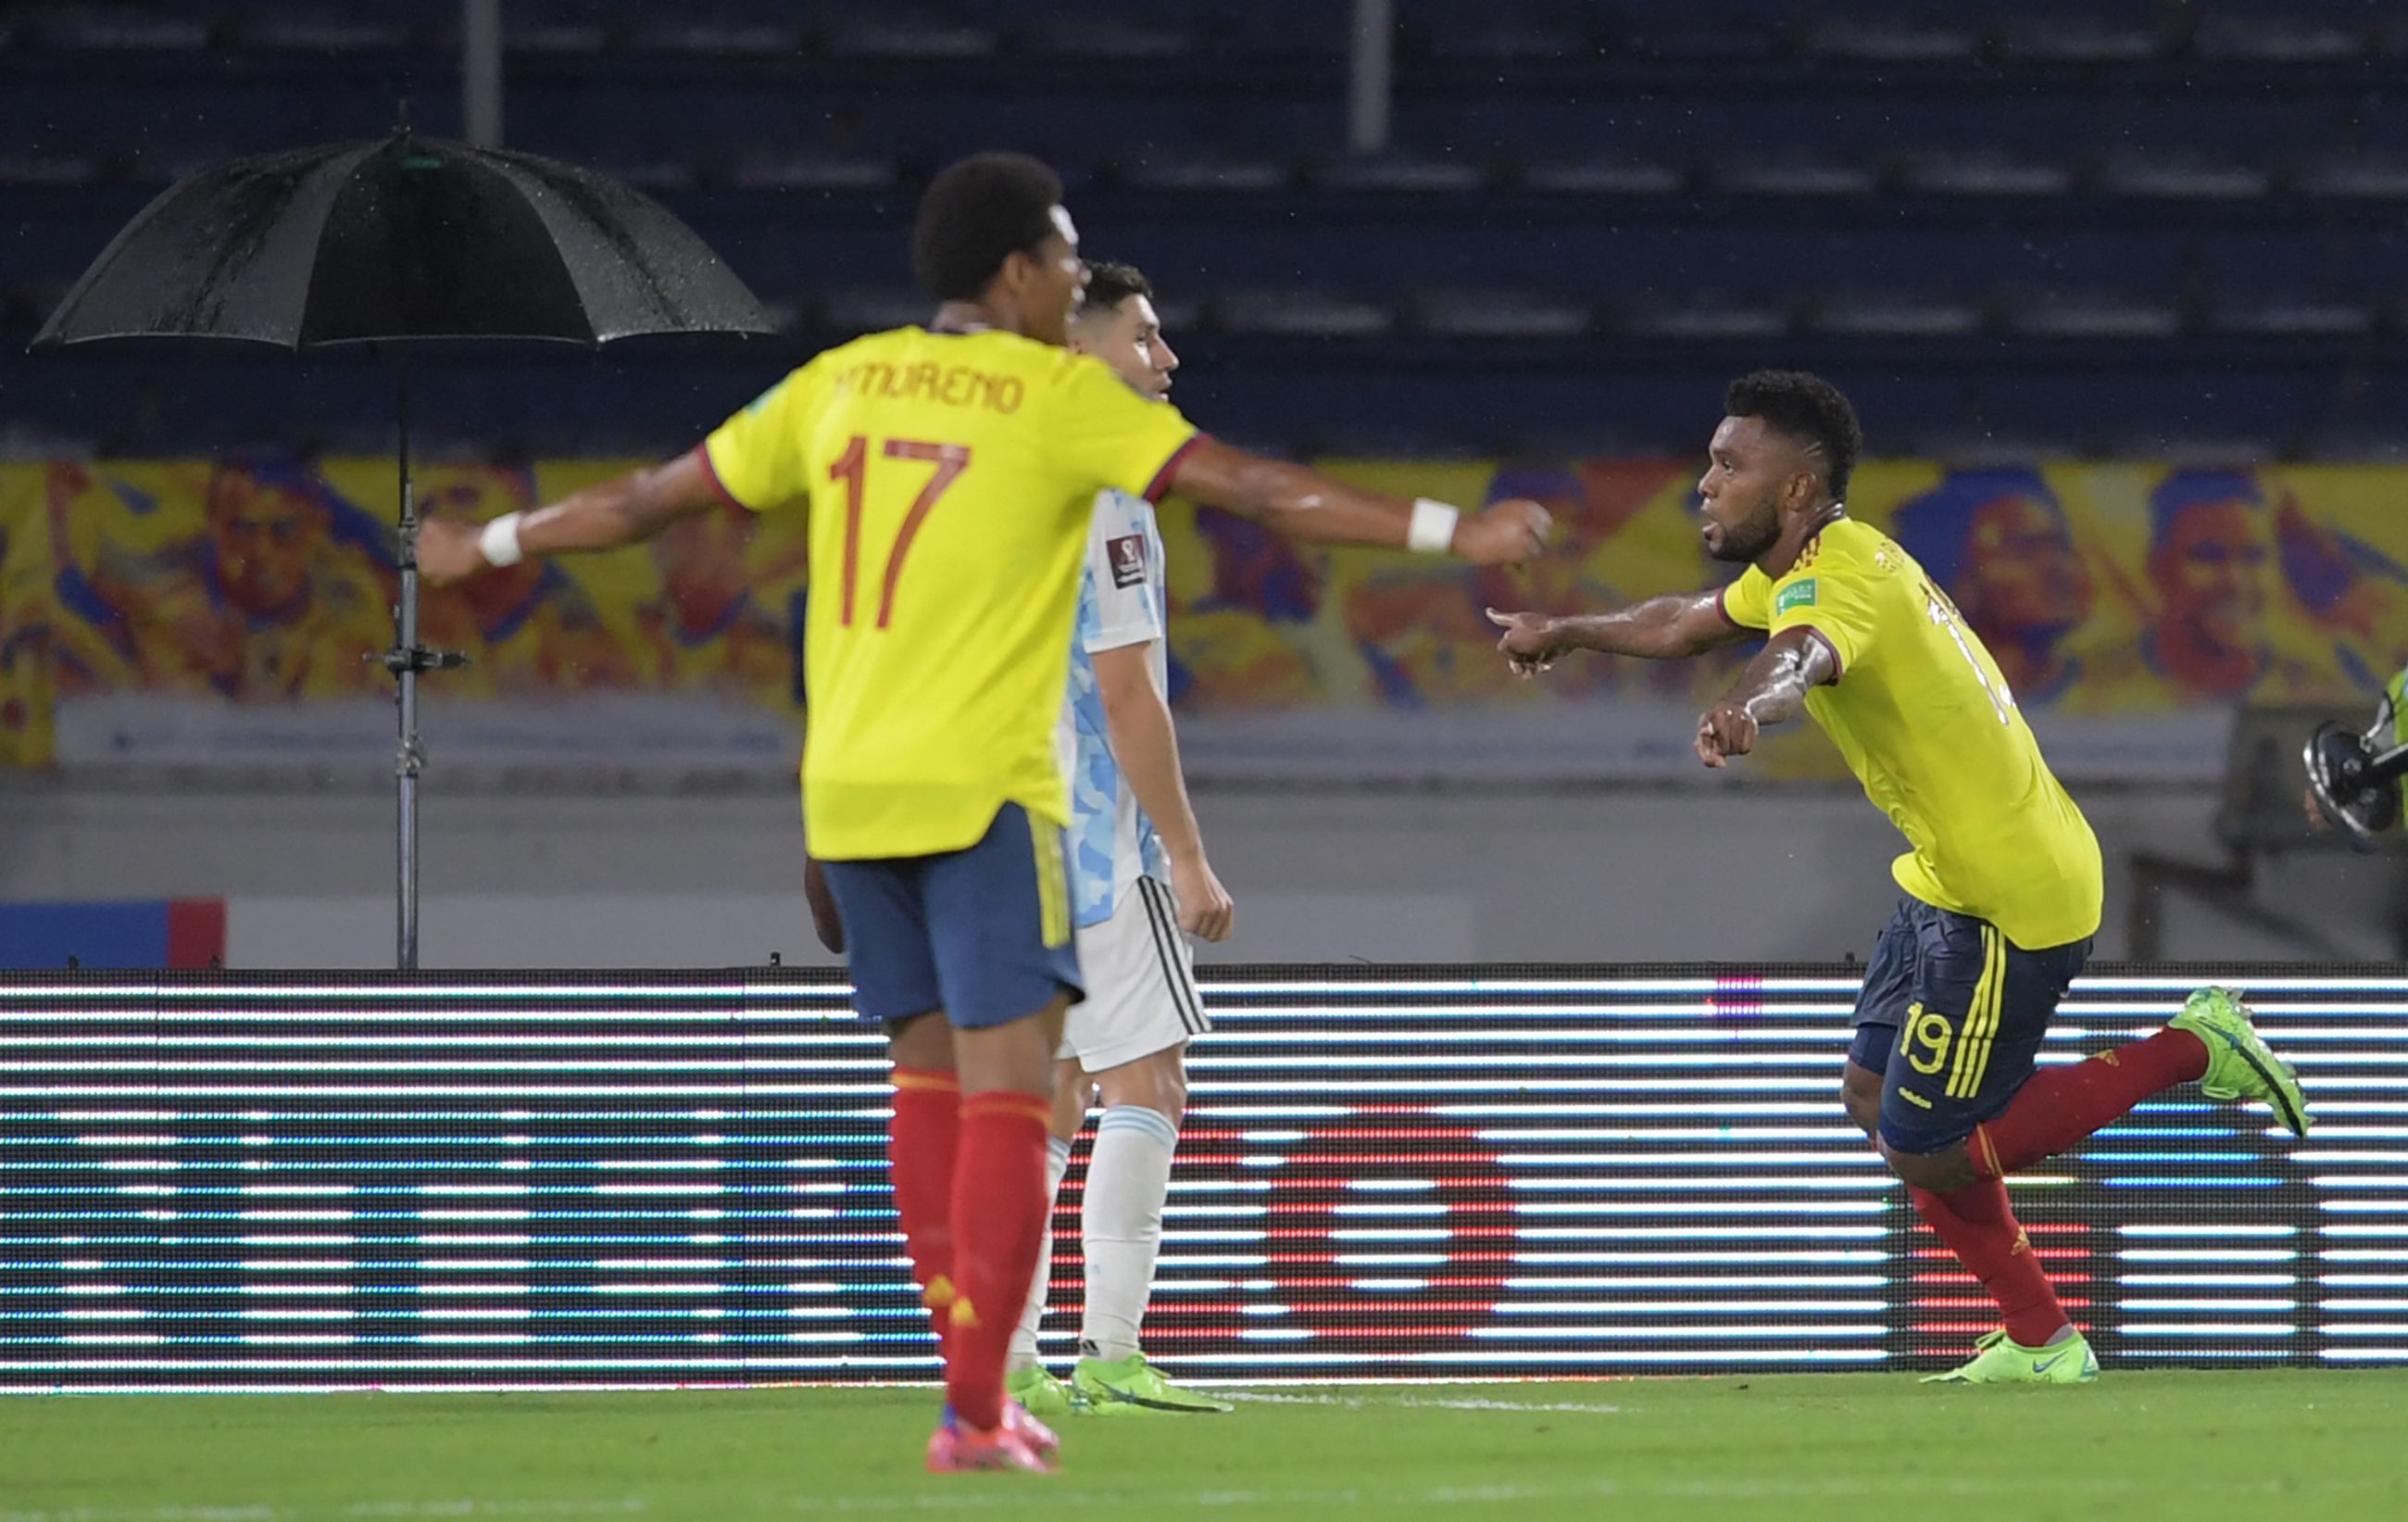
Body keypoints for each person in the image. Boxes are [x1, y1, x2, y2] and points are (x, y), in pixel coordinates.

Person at [418, 152, 1551, 1470]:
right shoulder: (1051, 406)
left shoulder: (841, 382)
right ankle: (985, 1400)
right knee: (1024, 1097)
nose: (1079, 279)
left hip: (846, 793)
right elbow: (1253, 488)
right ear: (1020, 274)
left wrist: (487, 544)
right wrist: (1445, 531)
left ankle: (988, 1377)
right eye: (1069, 260)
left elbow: (646, 501)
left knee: (927, 1090)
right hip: (994, 799)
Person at [1487, 371, 2311, 1386]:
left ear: (1795, 490)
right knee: (1873, 1096)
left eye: (1727, 464)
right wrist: (1564, 629)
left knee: (1929, 1143)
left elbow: (1795, 658)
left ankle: (2194, 1046)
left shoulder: (1841, 582)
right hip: (1943, 877)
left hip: (2013, 896)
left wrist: (1750, 707)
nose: (1703, 484)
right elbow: (1684, 621)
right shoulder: (1814, 563)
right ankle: (2042, 1341)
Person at [1888, 469, 2092, 706]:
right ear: (1960, 580)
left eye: (2060, 546)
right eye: (2022, 550)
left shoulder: (2123, 694)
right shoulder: (1902, 704)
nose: (2058, 568)